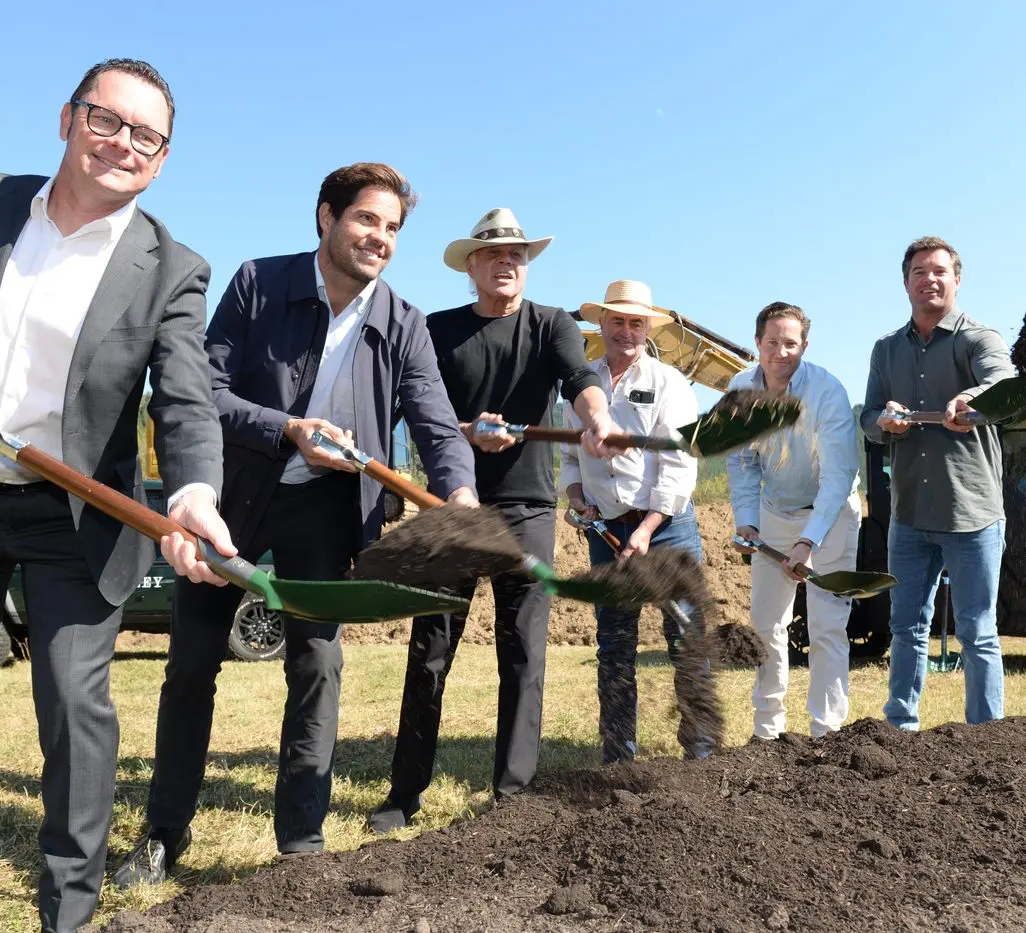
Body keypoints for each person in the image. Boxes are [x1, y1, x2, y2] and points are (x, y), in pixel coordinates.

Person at [0, 59, 231, 933]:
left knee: (73, 710)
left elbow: (185, 398)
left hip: (78, 515)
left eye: (146, 136)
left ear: (162, 161)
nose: (123, 144)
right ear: (67, 119)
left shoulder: (172, 269)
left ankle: (68, 913)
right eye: (106, 120)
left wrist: (195, 491)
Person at [114, 163, 478, 887]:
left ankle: (301, 845)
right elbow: (202, 389)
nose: (380, 238)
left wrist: (460, 493)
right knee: (193, 661)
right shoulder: (258, 283)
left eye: (393, 228)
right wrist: (287, 429)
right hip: (233, 495)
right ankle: (163, 831)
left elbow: (437, 424)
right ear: (326, 217)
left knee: (317, 663)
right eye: (367, 219)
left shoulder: (402, 322)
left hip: (328, 508)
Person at [367, 209, 615, 832]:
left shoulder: (552, 324)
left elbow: (581, 377)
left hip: (528, 508)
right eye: (495, 254)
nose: (508, 262)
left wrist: (598, 418)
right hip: (452, 507)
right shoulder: (437, 330)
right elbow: (416, 411)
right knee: (430, 649)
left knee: (524, 653)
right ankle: (403, 795)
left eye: (518, 255)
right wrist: (465, 430)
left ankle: (513, 797)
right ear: (471, 265)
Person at [861, 236, 1016, 731]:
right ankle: (900, 728)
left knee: (977, 631)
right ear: (905, 283)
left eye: (939, 271)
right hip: (908, 515)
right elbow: (867, 415)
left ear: (957, 280)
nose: (929, 279)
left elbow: (1004, 386)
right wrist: (882, 421)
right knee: (905, 627)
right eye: (919, 272)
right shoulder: (886, 349)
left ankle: (986, 735)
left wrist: (972, 399)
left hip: (971, 513)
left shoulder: (979, 339)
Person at [561, 280, 709, 764]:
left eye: (636, 323)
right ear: (601, 325)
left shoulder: (669, 383)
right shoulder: (581, 384)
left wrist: (645, 531)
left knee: (685, 637)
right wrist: (577, 496)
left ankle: (701, 756)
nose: (626, 331)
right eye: (618, 321)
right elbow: (570, 456)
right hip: (606, 529)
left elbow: (679, 465)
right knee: (614, 643)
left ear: (648, 329)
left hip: (666, 528)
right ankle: (618, 757)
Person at [726, 302, 862, 739]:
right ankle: (768, 731)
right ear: (757, 343)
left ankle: (827, 731)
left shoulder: (827, 391)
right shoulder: (739, 389)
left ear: (805, 345)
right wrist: (747, 522)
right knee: (766, 624)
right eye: (772, 342)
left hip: (832, 514)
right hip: (774, 512)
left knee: (826, 627)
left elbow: (838, 477)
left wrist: (808, 542)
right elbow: (742, 464)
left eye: (790, 343)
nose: (780, 352)